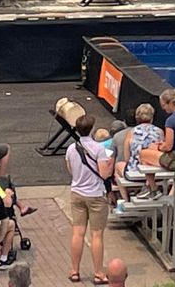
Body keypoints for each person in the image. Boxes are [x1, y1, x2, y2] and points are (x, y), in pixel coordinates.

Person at [62, 115, 111, 285]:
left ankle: (74, 271)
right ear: (91, 128)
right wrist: (110, 165)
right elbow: (104, 174)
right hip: (96, 195)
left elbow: (70, 170)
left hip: (77, 193)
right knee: (97, 235)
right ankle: (98, 273)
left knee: (77, 233)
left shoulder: (71, 149)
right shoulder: (99, 149)